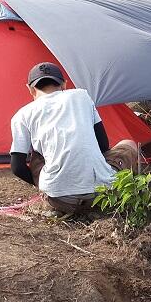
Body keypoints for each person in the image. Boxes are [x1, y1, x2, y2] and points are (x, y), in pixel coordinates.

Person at [10, 62, 141, 218]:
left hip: (59, 199)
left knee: (37, 155)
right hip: (101, 196)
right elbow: (103, 145)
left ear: (30, 89)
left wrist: (45, 184)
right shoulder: (82, 96)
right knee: (129, 144)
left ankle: (56, 193)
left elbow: (17, 167)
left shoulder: (22, 115)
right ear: (64, 84)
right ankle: (127, 195)